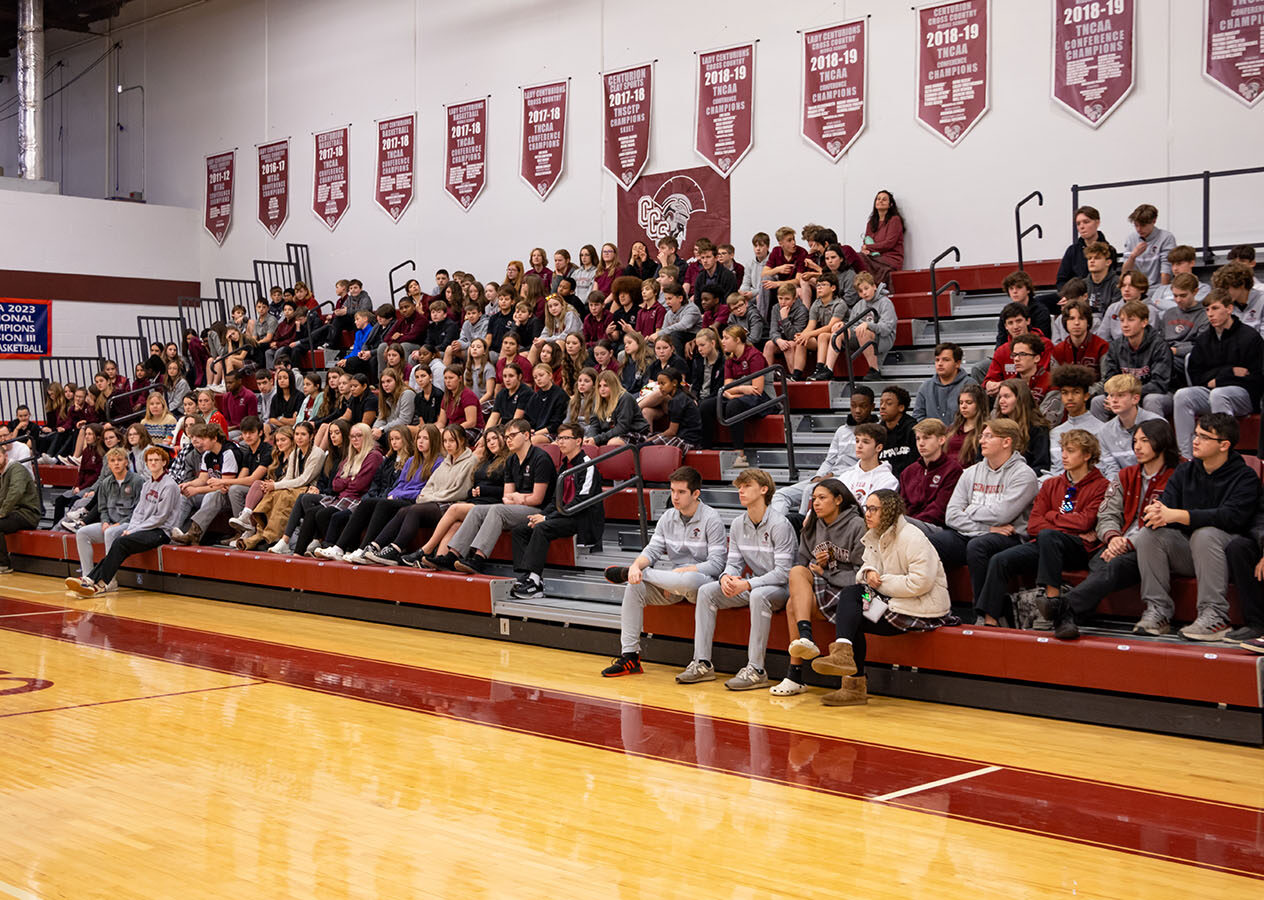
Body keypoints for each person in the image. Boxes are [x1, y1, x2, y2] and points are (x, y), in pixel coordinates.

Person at [809, 490, 953, 706]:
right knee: (853, 606)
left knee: (853, 600)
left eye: (873, 509)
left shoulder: (913, 537)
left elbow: (920, 583)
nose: (867, 513)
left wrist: (880, 581)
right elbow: (865, 569)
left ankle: (846, 660)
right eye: (867, 508)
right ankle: (851, 681)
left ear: (889, 511)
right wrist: (868, 573)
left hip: (919, 610)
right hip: (891, 604)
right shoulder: (874, 536)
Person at [1132, 413, 1260, 639]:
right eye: (1195, 434)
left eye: (1203, 437)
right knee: (1148, 536)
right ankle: (1158, 611)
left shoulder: (1245, 477)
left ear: (1224, 445)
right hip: (1190, 553)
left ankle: (1215, 616)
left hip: (1226, 555)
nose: (1195, 441)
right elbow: (1166, 506)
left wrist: (1179, 515)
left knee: (1206, 534)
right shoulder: (1185, 471)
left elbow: (1231, 517)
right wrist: (1155, 513)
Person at [1051, 419, 1179, 640]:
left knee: (1115, 563)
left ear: (1162, 442)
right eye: (1135, 441)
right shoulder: (1125, 475)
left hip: (1157, 547)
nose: (1137, 447)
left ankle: (1062, 607)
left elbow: (1165, 522)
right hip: (1120, 542)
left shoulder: (1179, 475)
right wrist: (1113, 538)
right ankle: (1072, 617)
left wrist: (1126, 544)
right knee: (1098, 560)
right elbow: (1107, 514)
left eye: (1145, 441)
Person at [600, 466, 728, 677]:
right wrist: (635, 566)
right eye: (672, 491)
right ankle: (630, 657)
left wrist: (687, 570)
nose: (675, 497)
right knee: (635, 586)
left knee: (688, 579)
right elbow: (652, 551)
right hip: (672, 583)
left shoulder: (711, 519)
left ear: (696, 494)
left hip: (701, 584)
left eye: (681, 492)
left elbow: (717, 564)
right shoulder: (668, 517)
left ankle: (653, 577)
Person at [973, 430, 1109, 626]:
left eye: (1070, 451)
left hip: (1077, 548)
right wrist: (1063, 522)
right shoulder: (1051, 484)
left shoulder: (1102, 485)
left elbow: (1085, 522)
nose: (1063, 455)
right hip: (1047, 542)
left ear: (1087, 455)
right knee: (999, 560)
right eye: (1063, 450)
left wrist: (1052, 516)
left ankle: (1051, 603)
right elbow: (1034, 524)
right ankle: (990, 620)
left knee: (1049, 535)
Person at [679, 468, 796, 691]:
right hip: (753, 585)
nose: (740, 491)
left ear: (764, 490)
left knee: (760, 594)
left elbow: (783, 572)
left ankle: (756, 670)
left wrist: (748, 584)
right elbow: (733, 563)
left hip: (781, 590)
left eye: (746, 486)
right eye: (739, 487)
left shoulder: (780, 524)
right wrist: (726, 577)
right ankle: (702, 663)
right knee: (707, 591)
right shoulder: (737, 524)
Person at [928, 418, 1040, 611]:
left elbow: (1001, 515)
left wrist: (970, 509)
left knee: (978, 546)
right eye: (982, 436)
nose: (981, 441)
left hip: (1009, 537)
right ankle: (935, 606)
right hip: (980, 532)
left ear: (1007, 442)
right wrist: (986, 528)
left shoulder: (1024, 475)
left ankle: (983, 612)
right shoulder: (971, 472)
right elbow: (951, 515)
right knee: (934, 542)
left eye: (988, 436)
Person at [772, 479, 867, 695]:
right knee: (796, 576)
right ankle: (804, 641)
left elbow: (863, 575)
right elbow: (803, 565)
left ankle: (795, 672)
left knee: (792, 605)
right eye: (814, 499)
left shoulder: (857, 526)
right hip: (825, 586)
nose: (816, 503)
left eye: (822, 498)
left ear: (839, 499)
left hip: (854, 594)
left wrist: (827, 571)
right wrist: (817, 565)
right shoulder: (812, 525)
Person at [430, 419, 556, 575]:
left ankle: (478, 559)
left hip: (537, 511)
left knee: (497, 510)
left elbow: (537, 499)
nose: (508, 440)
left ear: (525, 435)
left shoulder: (540, 458)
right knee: (477, 511)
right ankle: (452, 555)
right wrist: (517, 498)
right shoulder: (511, 459)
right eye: (507, 436)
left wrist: (517, 497)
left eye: (512, 436)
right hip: (516, 507)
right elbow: (506, 496)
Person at [66, 446, 180, 596]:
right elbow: (139, 512)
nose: (152, 463)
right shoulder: (147, 484)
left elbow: (160, 517)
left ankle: (96, 581)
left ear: (164, 462)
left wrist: (134, 530)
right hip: (144, 529)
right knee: (120, 543)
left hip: (161, 531)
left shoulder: (169, 485)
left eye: (156, 460)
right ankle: (94, 581)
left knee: (120, 542)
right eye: (150, 460)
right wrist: (131, 528)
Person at [506, 423, 604, 598]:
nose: (560, 442)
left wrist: (547, 519)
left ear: (579, 441)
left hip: (581, 518)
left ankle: (535, 582)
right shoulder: (564, 467)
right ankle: (526, 576)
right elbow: (555, 500)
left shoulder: (588, 465)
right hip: (562, 515)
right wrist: (543, 514)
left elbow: (581, 502)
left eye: (566, 438)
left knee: (542, 528)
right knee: (521, 529)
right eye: (559, 438)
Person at [1172, 289, 1264, 458]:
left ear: (1229, 309)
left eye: (1215, 308)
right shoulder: (1204, 339)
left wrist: (1219, 378)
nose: (1210, 314)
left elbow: (1255, 379)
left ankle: (1223, 457)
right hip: (1212, 390)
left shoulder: (1250, 337)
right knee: (1182, 396)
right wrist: (1230, 372)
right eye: (1207, 310)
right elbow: (1197, 376)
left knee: (1219, 394)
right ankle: (1187, 458)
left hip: (1245, 396)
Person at [770, 386, 877, 518]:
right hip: (828, 477)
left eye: (863, 406)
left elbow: (863, 465)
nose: (857, 410)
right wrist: (819, 476)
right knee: (781, 495)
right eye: (853, 406)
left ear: (872, 407)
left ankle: (803, 531)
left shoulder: (875, 432)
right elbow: (830, 460)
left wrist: (829, 476)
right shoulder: (841, 431)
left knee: (810, 490)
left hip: (847, 480)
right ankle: (779, 530)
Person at [72, 446, 144, 582]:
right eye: (112, 461)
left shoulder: (137, 481)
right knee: (82, 533)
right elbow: (102, 508)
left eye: (119, 460)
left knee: (110, 533)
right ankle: (88, 577)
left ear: (126, 462)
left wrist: (118, 524)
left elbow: (139, 510)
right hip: (109, 523)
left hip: (129, 524)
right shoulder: (105, 483)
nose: (116, 463)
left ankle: (108, 581)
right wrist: (105, 521)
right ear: (108, 464)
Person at [821, 271, 896, 381]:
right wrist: (844, 325)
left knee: (864, 332)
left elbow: (886, 328)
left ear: (874, 286)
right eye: (860, 291)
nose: (864, 293)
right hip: (861, 337)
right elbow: (853, 326)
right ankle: (828, 369)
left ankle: (874, 370)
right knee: (838, 332)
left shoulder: (885, 302)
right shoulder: (859, 305)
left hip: (883, 338)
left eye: (866, 288)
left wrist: (868, 325)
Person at [1047, 365, 1116, 480]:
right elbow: (1055, 469)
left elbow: (1108, 469)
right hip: (1059, 489)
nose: (1069, 398)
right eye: (1065, 393)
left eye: (1076, 392)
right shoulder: (1055, 433)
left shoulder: (1103, 429)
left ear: (1086, 396)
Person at [899, 418, 964, 534]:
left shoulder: (953, 470)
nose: (921, 443)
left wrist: (909, 524)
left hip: (937, 527)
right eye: (918, 438)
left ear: (941, 440)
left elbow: (940, 510)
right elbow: (902, 506)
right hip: (908, 525)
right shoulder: (908, 472)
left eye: (926, 438)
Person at [718, 325, 768, 469]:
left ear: (738, 340)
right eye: (722, 337)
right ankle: (706, 448)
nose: (722, 341)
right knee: (707, 405)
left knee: (733, 405)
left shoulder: (754, 356)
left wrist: (733, 393)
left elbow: (757, 390)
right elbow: (726, 387)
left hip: (765, 399)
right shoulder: (730, 359)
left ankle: (740, 455)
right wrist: (741, 389)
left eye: (726, 338)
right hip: (744, 396)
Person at [0, 440, 41, 575]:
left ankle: (4, 565)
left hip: (27, 514)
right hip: (13, 513)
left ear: (6, 456)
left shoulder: (16, 468)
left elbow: (15, 492)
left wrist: (2, 512)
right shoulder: (2, 473)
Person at [994, 378, 1051, 473]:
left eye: (1006, 396)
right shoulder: (995, 427)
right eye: (1000, 397)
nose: (1001, 401)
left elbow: (1041, 466)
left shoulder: (1038, 428)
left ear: (1020, 398)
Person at [1056, 205, 1118, 288]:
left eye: (1086, 222)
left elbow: (1109, 279)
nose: (1081, 227)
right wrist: (1067, 295)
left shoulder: (1109, 250)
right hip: (1072, 293)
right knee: (1040, 299)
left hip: (1097, 293)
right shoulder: (1072, 250)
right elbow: (1061, 280)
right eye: (1078, 224)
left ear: (1097, 223)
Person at [1051, 298, 1109, 385]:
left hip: (1093, 395)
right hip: (1066, 395)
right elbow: (1054, 383)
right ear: (1065, 322)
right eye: (1071, 318)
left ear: (1088, 322)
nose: (1077, 323)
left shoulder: (1102, 347)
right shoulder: (1058, 350)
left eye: (1081, 318)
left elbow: (1106, 381)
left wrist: (1085, 393)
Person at [1158, 273, 1210, 370]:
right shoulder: (1168, 314)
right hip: (1166, 354)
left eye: (1183, 296)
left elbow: (1202, 347)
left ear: (1195, 292)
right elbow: (1161, 341)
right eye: (1175, 295)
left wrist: (1175, 351)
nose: (1178, 300)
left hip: (1187, 357)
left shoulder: (1205, 315)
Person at [912, 342, 974, 422]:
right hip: (931, 433)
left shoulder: (970, 385)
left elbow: (975, 417)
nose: (940, 364)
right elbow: (918, 416)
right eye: (937, 360)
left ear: (957, 363)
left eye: (946, 360)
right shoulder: (926, 386)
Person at [839, 423, 899, 503]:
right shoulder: (845, 477)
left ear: (879, 448)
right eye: (857, 441)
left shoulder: (889, 480)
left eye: (865, 442)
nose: (859, 446)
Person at [1121, 203, 1177, 287]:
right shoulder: (1131, 238)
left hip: (1157, 287)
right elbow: (1125, 272)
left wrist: (1162, 292)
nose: (1139, 229)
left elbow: (1166, 269)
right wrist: (1133, 256)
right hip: (1136, 288)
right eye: (1136, 225)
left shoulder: (1166, 237)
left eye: (1143, 225)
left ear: (1154, 221)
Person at [588, 370, 648, 446]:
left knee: (613, 443)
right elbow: (594, 424)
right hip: (610, 435)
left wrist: (597, 439)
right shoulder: (597, 401)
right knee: (585, 442)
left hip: (633, 433)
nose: (602, 389)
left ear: (613, 385)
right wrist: (591, 438)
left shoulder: (625, 398)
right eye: (599, 386)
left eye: (606, 385)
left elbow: (622, 428)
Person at [995, 270, 1052, 345]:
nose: (1014, 291)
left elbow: (1042, 337)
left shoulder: (1040, 310)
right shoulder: (1006, 312)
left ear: (1028, 289)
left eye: (1019, 287)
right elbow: (1001, 338)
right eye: (1011, 288)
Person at [862, 190, 905, 286]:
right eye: (878, 199)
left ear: (890, 204)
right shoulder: (871, 222)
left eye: (884, 199)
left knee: (860, 258)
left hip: (891, 259)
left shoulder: (894, 220)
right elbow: (866, 242)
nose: (880, 201)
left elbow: (889, 243)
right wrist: (865, 249)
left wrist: (868, 248)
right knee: (857, 257)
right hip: (874, 257)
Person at [763, 283, 808, 372]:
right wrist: (778, 340)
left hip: (797, 341)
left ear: (794, 299)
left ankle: (793, 377)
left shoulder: (802, 310)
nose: (783, 302)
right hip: (782, 339)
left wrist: (784, 319)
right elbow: (773, 330)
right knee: (769, 344)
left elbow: (794, 335)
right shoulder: (776, 308)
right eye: (780, 298)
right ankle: (767, 377)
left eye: (787, 299)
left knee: (789, 345)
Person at [876, 387, 916, 475]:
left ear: (901, 407)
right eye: (881, 403)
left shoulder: (913, 430)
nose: (882, 407)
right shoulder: (877, 432)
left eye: (889, 403)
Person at [947, 383, 988, 467]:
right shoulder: (952, 428)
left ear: (979, 404)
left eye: (969, 403)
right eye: (961, 403)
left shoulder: (986, 429)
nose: (963, 406)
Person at [739, 231, 773, 319]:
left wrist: (752, 293)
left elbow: (768, 284)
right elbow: (746, 281)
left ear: (768, 247)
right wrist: (743, 291)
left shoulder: (772, 261)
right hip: (751, 293)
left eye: (761, 246)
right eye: (755, 246)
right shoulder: (749, 263)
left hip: (766, 294)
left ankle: (761, 323)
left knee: (758, 298)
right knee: (735, 299)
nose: (758, 249)